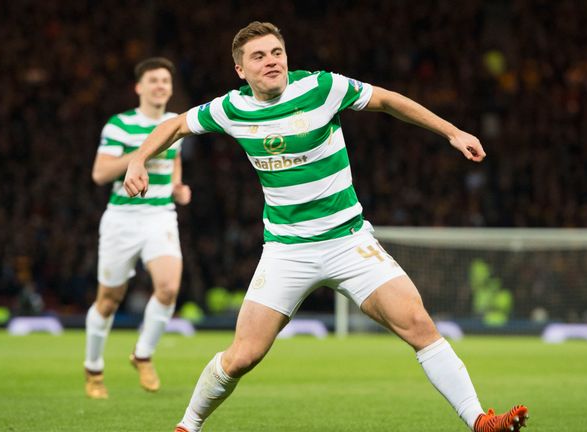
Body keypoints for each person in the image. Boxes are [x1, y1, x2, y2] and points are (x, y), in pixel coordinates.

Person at [124, 22, 528, 432]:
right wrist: (138, 159)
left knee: (418, 324)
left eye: (277, 52)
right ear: (240, 71)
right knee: (243, 355)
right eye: (259, 56)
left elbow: (387, 100)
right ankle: (187, 426)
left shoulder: (321, 88)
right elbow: (173, 126)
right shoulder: (231, 109)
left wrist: (452, 132)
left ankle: (479, 420)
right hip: (286, 250)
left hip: (347, 242)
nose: (271, 61)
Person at [84, 57, 192, 399]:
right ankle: (94, 369)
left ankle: (142, 354)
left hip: (160, 215)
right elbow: (100, 174)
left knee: (169, 289)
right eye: (154, 80)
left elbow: (174, 162)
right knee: (109, 301)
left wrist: (178, 187)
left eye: (166, 81)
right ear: (139, 87)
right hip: (122, 219)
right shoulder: (120, 126)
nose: (161, 85)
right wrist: (137, 156)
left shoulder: (176, 124)